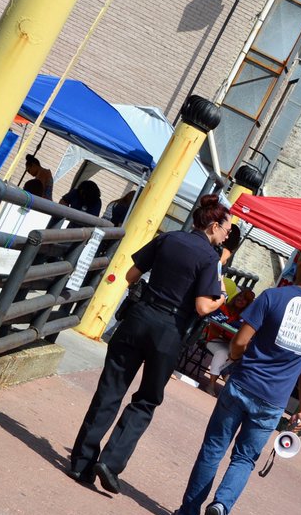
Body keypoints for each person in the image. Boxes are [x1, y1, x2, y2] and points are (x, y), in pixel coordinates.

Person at [169, 235, 301, 515]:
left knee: (213, 449)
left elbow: (240, 342)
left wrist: (234, 358)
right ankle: (220, 507)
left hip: (242, 384)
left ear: (300, 259)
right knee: (244, 460)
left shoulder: (273, 297)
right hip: (273, 403)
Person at [70, 195, 232, 493]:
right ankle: (111, 461)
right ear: (212, 225)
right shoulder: (209, 258)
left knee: (110, 389)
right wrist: (221, 298)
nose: (226, 235)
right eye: (226, 230)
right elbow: (201, 306)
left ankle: (81, 462)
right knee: (146, 399)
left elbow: (131, 275)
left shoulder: (169, 238)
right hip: (169, 330)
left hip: (139, 316)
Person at [198, 289, 256, 381]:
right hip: (212, 339)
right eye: (240, 296)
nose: (241, 299)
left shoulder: (245, 319)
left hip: (230, 343)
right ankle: (212, 384)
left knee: (240, 356)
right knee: (223, 352)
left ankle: (225, 375)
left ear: (248, 304)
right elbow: (213, 329)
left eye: (245, 299)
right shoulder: (222, 308)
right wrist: (224, 334)